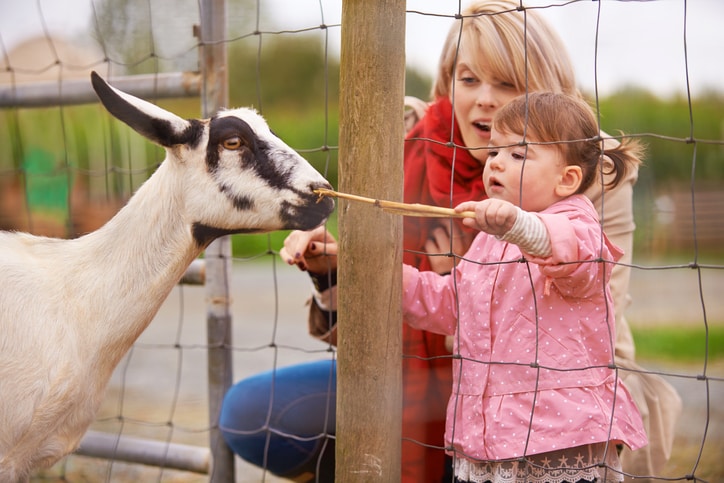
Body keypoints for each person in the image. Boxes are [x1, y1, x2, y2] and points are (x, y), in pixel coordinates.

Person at [220, 2, 681, 481]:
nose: (484, 99)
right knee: (253, 411)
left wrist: (512, 230)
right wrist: (345, 268)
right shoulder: (408, 147)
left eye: (505, 82)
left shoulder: (586, 173)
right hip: (431, 378)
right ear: (447, 82)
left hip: (551, 395)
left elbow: (578, 268)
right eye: (468, 79)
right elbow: (412, 310)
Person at [403, 91, 647, 482]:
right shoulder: (489, 239)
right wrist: (378, 274)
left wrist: (516, 225)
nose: (497, 162)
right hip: (489, 437)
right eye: (495, 151)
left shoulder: (579, 227)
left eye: (518, 154)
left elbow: (568, 254)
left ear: (567, 179)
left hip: (556, 440)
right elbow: (453, 305)